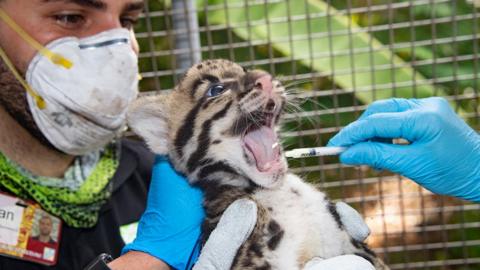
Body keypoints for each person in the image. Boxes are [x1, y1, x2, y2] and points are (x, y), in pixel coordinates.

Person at [0, 1, 371, 270]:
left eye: (127, 20)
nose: (118, 48)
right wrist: (148, 261)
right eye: (70, 17)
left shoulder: (156, 176)